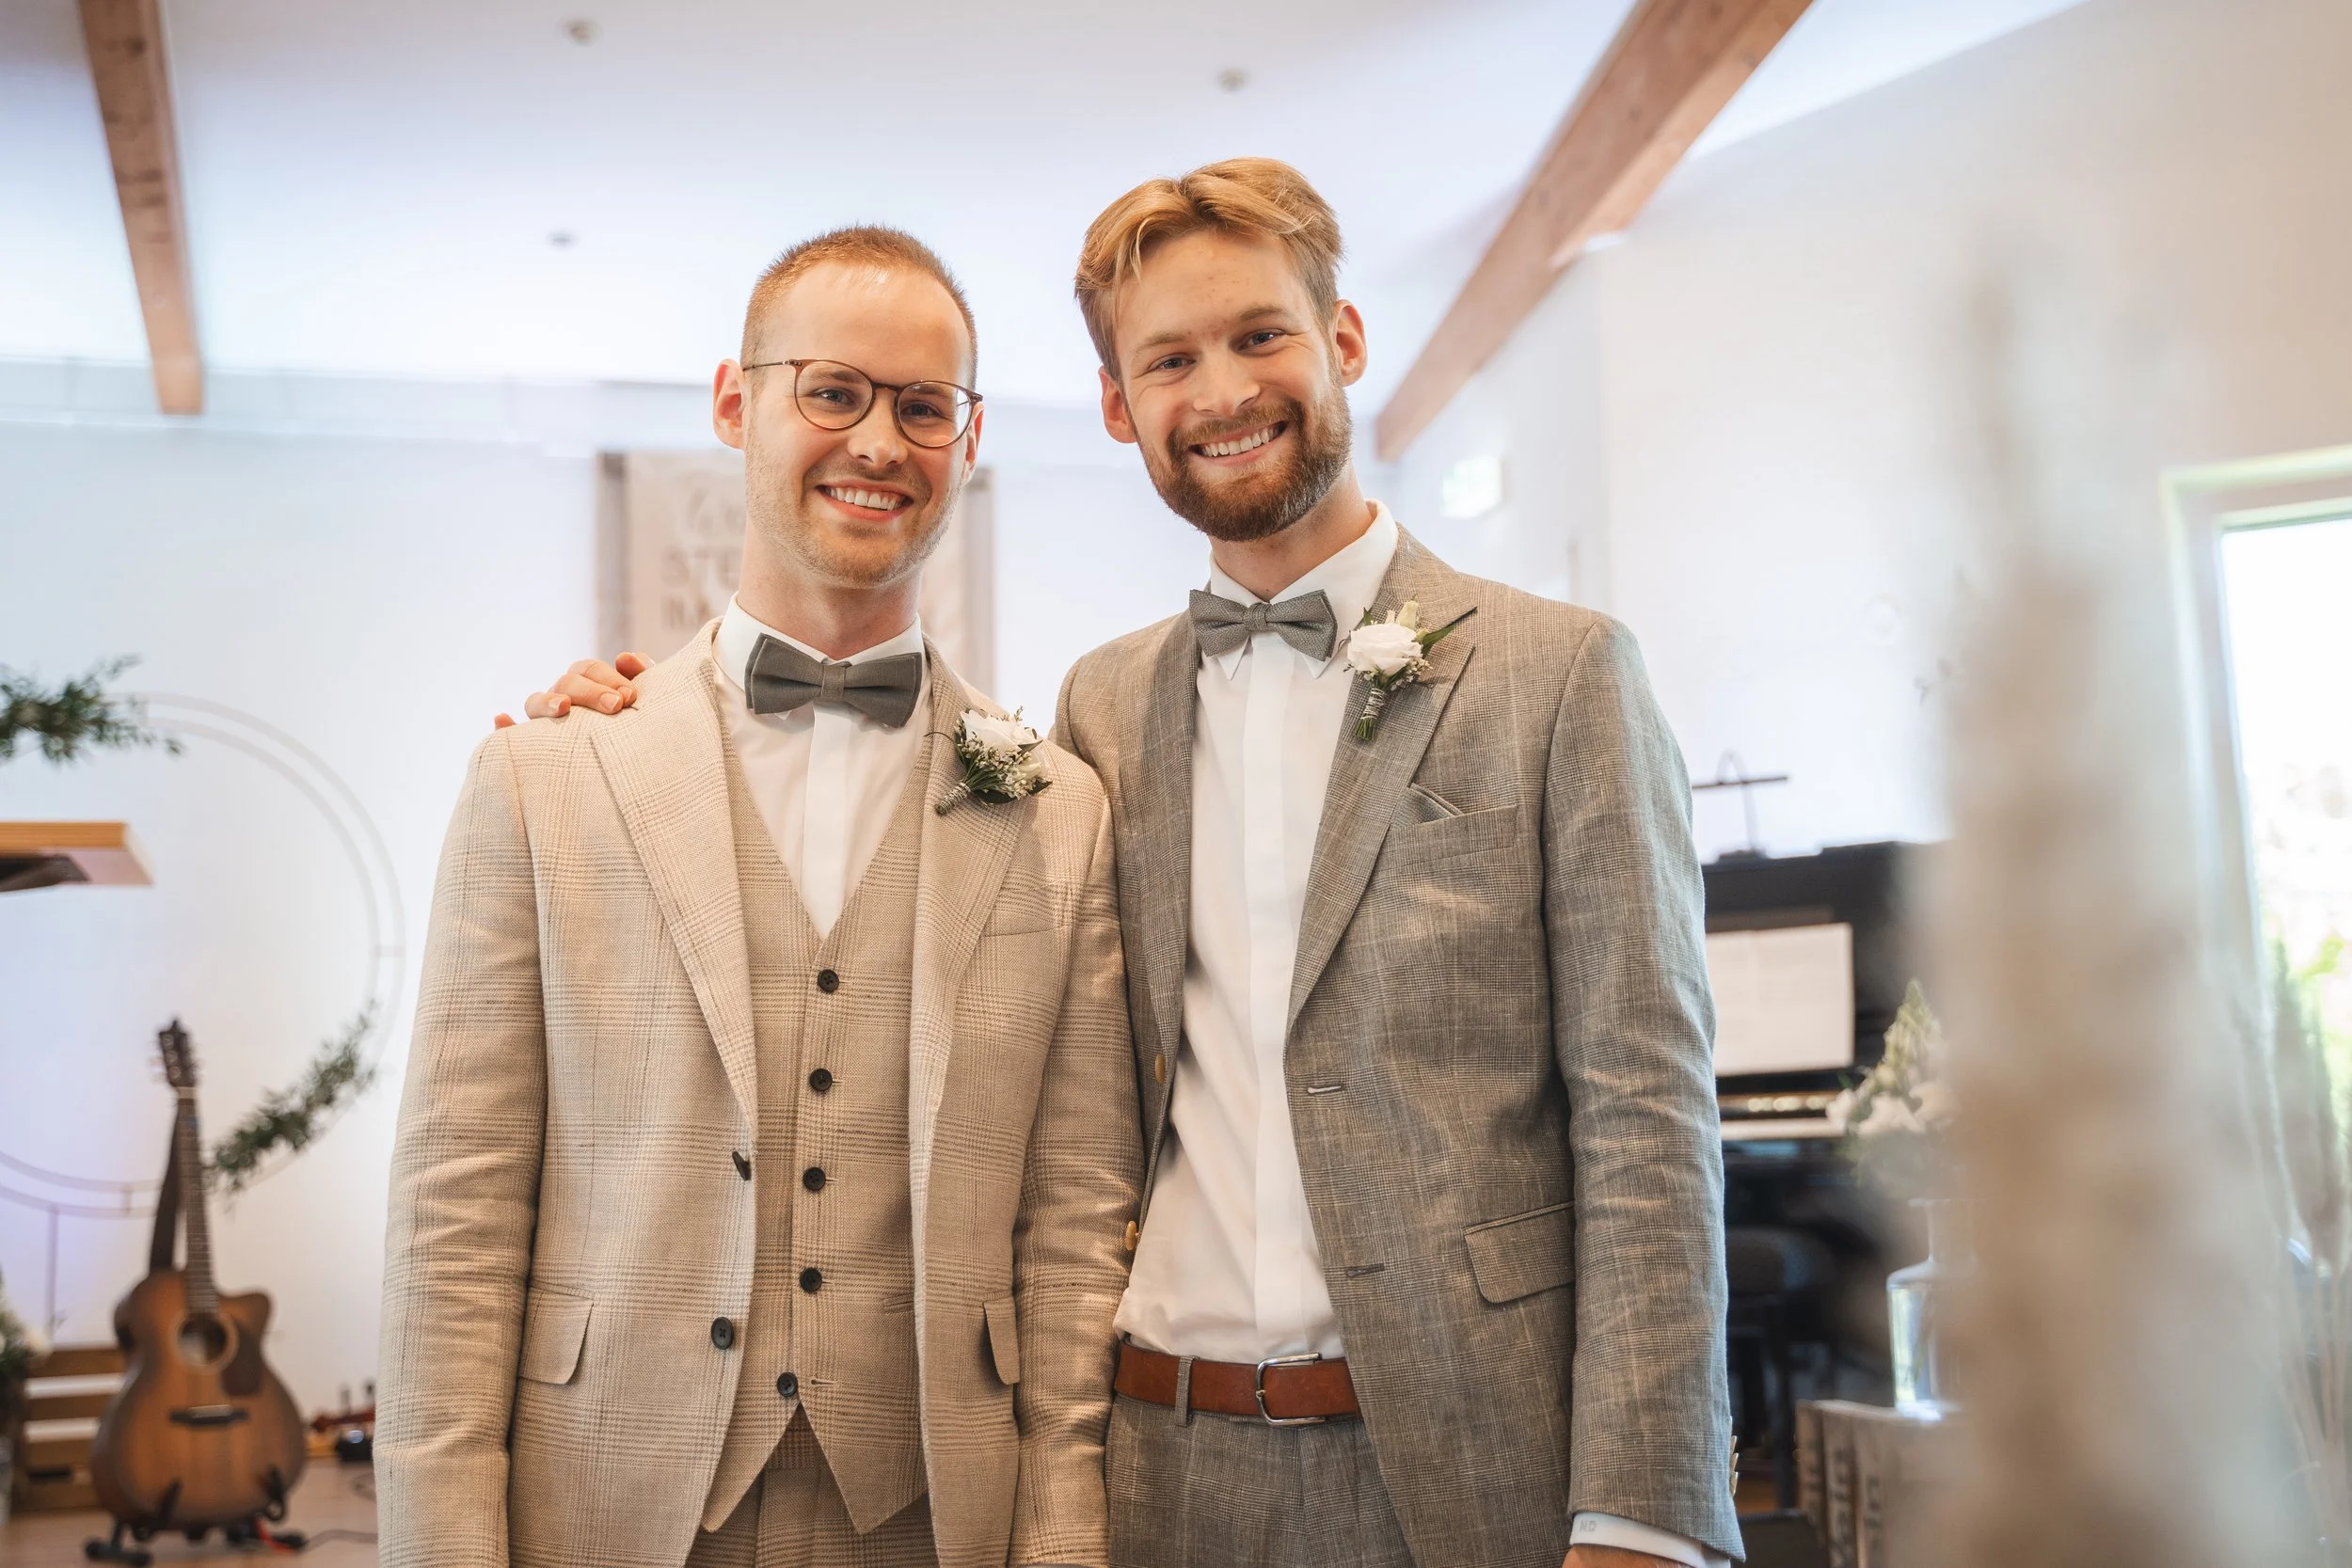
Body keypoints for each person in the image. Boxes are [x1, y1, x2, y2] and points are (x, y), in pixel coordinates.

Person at [531, 161, 1737, 1568]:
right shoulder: (1099, 713)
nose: (1223, 391)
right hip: (1166, 1467)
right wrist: (632, 714)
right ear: (1120, 408)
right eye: (1170, 359)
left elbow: (1649, 1114)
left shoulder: (1560, 676)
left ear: (1343, 342)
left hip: (1476, 1467)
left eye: (1260, 335)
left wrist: (1644, 1515)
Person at [380, 226, 1141, 1568]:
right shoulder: (543, 778)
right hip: (607, 1502)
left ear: (966, 442)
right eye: (833, 390)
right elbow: (456, 1219)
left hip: (936, 1510)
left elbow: (1079, 1223)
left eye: (924, 406)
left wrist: (1065, 1539)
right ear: (737, 403)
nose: (878, 442)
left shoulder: (1057, 808)